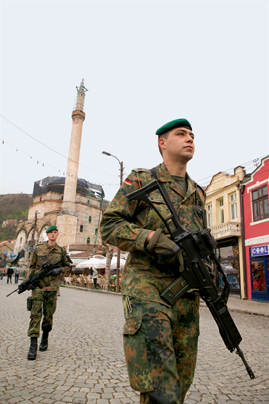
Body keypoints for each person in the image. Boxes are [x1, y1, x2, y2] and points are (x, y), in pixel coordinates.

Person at [100, 119, 206, 404]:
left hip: (187, 296)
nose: (189, 139)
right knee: (161, 388)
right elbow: (109, 225)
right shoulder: (142, 179)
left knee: (180, 383)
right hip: (147, 290)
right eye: (181, 134)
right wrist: (147, 238)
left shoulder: (198, 193)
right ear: (162, 143)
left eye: (192, 135)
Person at [27, 225, 72, 360]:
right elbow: (32, 266)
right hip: (38, 287)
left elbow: (68, 267)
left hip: (52, 288)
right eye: (50, 232)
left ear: (57, 234)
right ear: (47, 234)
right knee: (35, 315)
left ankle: (45, 338)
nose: (52, 234)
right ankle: (33, 346)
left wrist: (58, 271)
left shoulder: (61, 251)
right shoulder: (38, 248)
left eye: (55, 232)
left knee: (48, 315)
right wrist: (30, 281)